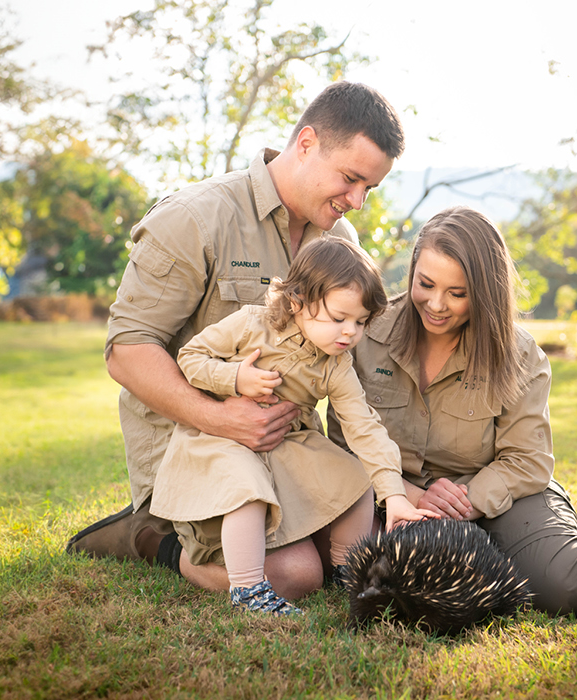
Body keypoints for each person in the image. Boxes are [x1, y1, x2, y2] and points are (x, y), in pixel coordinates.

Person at [67, 81, 405, 603]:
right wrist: (220, 417)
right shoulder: (194, 217)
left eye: (370, 188)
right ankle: (150, 535)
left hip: (286, 450)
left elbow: (345, 381)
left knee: (358, 543)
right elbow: (126, 352)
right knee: (295, 575)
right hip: (197, 448)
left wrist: (390, 484)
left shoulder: (340, 243)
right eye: (351, 179)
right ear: (307, 143)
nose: (358, 201)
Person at [329, 206, 577, 614]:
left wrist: (464, 502)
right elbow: (344, 443)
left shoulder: (520, 355)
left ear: (485, 291)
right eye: (425, 284)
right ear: (412, 269)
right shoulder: (365, 332)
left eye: (457, 293)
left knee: (571, 587)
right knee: (392, 593)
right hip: (398, 499)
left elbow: (527, 460)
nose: (436, 304)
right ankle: (502, 552)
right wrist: (413, 496)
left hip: (499, 497)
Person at [153, 237, 437, 615]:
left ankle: (345, 567)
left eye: (360, 322)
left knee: (355, 478)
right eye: (339, 318)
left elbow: (364, 426)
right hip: (221, 438)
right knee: (248, 490)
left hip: (285, 442)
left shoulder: (336, 364)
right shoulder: (251, 324)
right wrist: (234, 378)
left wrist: (394, 494)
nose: (350, 333)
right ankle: (248, 589)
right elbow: (190, 357)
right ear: (297, 301)